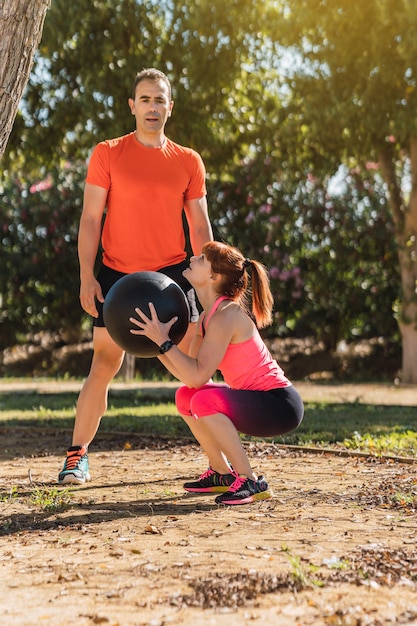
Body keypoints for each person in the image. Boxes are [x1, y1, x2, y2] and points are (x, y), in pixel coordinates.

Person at [58, 68, 213, 485]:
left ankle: (220, 465)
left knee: (196, 367)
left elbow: (200, 228)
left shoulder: (188, 160)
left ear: (170, 107)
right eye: (144, 99)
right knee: (105, 362)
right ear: (132, 106)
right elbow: (91, 219)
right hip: (116, 275)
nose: (152, 107)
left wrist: (208, 285)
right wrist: (87, 277)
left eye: (159, 100)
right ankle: (77, 456)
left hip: (171, 277)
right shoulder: (107, 153)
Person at [129, 241, 304, 506]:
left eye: (201, 259)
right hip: (257, 399)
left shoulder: (227, 315)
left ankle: (250, 480)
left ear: (214, 277)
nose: (192, 259)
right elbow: (191, 377)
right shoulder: (208, 316)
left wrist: (164, 342)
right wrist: (158, 344)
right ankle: (221, 473)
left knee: (202, 400)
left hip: (278, 404)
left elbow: (198, 375)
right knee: (186, 397)